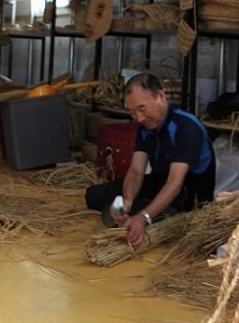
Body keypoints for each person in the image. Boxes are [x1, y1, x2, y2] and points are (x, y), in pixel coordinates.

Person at [84, 72, 215, 248]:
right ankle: (133, 210)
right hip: (159, 182)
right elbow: (137, 170)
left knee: (121, 219)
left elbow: (174, 183)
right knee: (93, 195)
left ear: (160, 96)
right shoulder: (145, 128)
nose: (138, 118)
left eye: (142, 108)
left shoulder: (186, 127)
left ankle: (141, 214)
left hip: (186, 198)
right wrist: (127, 201)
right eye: (132, 112)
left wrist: (144, 216)